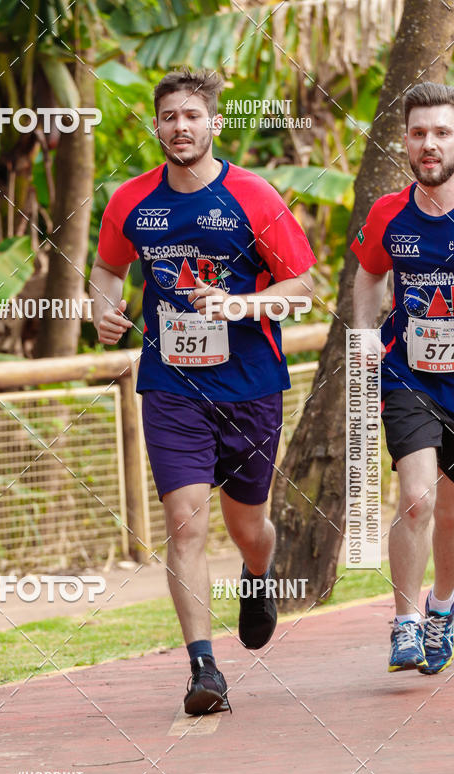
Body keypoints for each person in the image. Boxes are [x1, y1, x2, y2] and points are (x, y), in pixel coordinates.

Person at [90, 68, 315, 714]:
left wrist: (239, 305)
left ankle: (257, 574)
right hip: (172, 386)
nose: (180, 127)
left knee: (249, 526)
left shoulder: (254, 196)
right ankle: (203, 669)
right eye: (169, 117)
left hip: (249, 385)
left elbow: (302, 285)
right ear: (156, 127)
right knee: (184, 521)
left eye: (192, 116)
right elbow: (107, 268)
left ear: (214, 123)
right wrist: (103, 308)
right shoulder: (131, 201)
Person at [352, 81, 454, 675]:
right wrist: (365, 333)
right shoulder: (388, 212)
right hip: (409, 374)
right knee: (418, 497)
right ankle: (406, 623)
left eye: (441, 132)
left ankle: (442, 608)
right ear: (406, 143)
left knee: (452, 511)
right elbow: (369, 274)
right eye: (419, 133)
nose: (429, 144)